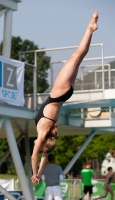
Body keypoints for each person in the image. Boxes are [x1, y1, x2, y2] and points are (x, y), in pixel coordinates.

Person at [31, 12, 99, 185]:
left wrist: (39, 175)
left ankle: (91, 29)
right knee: (75, 57)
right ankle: (89, 28)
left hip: (65, 95)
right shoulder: (41, 135)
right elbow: (35, 156)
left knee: (79, 58)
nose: (38, 148)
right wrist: (34, 173)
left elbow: (43, 159)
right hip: (58, 93)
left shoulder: (49, 133)